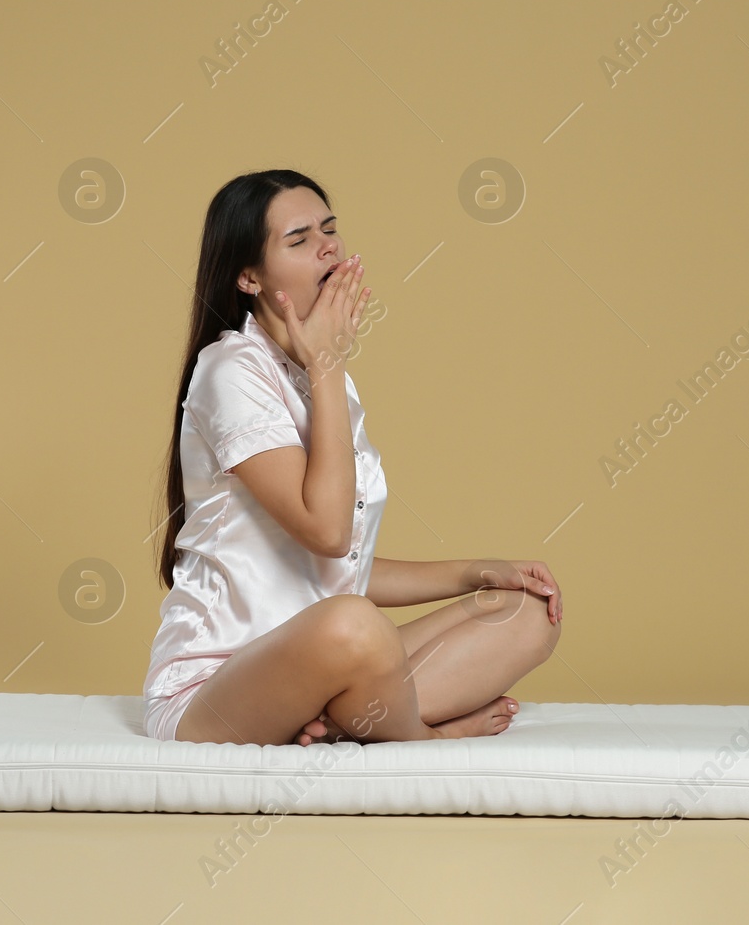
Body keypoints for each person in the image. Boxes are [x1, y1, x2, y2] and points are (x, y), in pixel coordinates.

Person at [143, 169, 563, 747]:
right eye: (299, 239)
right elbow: (328, 531)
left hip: (332, 656)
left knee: (524, 613)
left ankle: (342, 724)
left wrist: (478, 572)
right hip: (216, 691)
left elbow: (340, 571)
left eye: (330, 229)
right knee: (355, 625)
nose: (329, 246)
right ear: (248, 277)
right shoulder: (232, 370)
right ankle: (421, 735)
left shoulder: (317, 374)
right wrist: (329, 364)